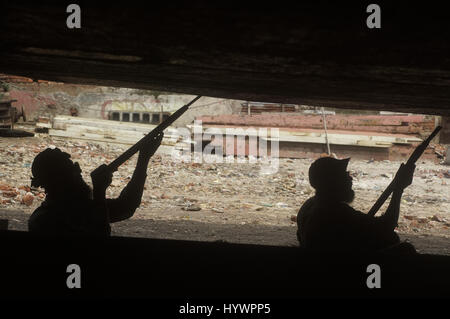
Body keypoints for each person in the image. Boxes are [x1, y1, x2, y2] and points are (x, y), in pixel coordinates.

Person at [28, 132, 164, 236]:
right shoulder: (45, 221)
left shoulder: (79, 208)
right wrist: (99, 191)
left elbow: (126, 206)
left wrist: (143, 159)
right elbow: (98, 239)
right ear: (60, 180)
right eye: (74, 171)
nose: (80, 171)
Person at [296, 156, 416, 253]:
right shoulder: (334, 211)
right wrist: (399, 189)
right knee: (405, 249)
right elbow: (386, 226)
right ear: (333, 182)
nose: (350, 179)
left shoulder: (310, 205)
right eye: (344, 175)